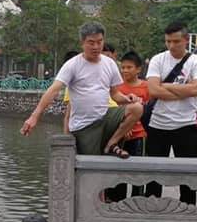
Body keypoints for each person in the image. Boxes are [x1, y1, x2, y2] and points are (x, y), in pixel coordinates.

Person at [23, 23, 142, 158]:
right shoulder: (73, 65)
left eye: (99, 42)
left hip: (105, 116)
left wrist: (127, 99)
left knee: (136, 108)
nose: (96, 47)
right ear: (82, 43)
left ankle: (112, 144)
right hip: (84, 126)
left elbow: (115, 94)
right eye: (91, 43)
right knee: (92, 163)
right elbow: (54, 90)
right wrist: (34, 116)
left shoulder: (110, 64)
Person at [144, 20, 197, 201]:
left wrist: (165, 86)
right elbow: (153, 90)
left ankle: (188, 210)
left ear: (186, 40)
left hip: (185, 125)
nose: (172, 45)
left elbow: (196, 89)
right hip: (158, 124)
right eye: (168, 41)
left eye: (176, 41)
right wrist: (182, 91)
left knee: (187, 175)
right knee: (154, 175)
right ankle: (152, 209)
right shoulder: (158, 59)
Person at [108, 51, 150, 201]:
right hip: (118, 136)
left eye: (129, 67)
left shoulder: (146, 87)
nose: (125, 70)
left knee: (137, 170)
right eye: (123, 67)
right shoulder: (116, 87)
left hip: (138, 135)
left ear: (138, 69)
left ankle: (137, 201)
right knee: (118, 171)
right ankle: (116, 202)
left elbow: (148, 111)